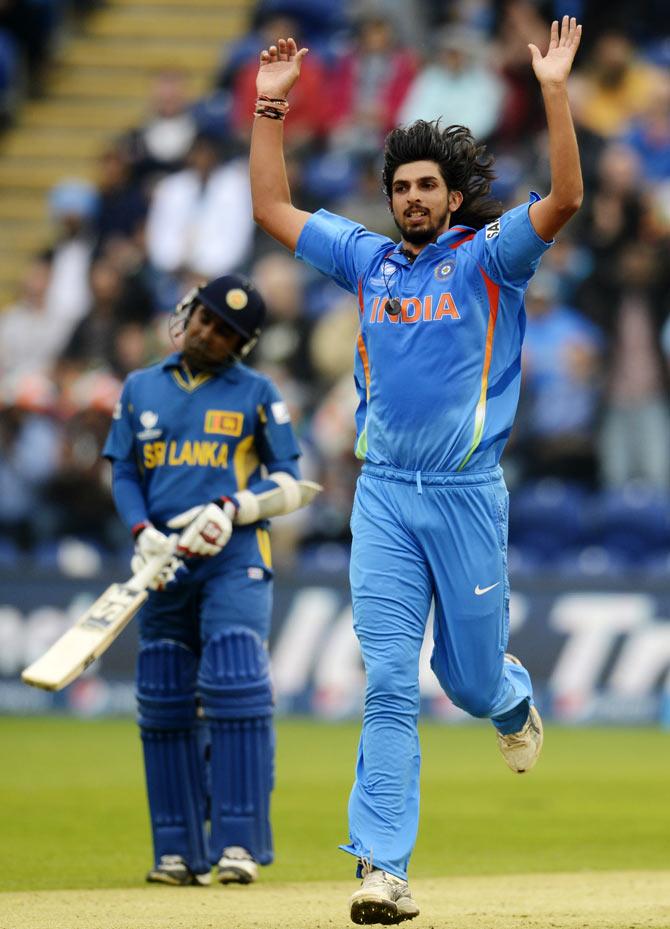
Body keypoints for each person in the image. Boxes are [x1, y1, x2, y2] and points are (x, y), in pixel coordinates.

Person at [249, 16, 583, 925]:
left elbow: (565, 199)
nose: (411, 198)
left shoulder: (491, 259)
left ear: (454, 193)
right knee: (390, 680)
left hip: (469, 497)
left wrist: (553, 92)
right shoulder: (368, 261)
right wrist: (271, 109)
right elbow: (274, 212)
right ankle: (382, 870)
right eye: (399, 186)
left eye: (427, 185)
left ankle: (509, 696)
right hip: (386, 496)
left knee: (469, 682)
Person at [102, 273, 304, 887]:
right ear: (187, 313)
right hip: (162, 562)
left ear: (242, 344)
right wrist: (142, 532)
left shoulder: (257, 392)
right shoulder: (139, 389)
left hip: (233, 556)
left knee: (236, 681)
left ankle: (238, 846)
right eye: (206, 319)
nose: (209, 333)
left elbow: (292, 482)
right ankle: (176, 851)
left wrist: (232, 508)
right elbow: (125, 475)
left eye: (226, 331)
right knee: (163, 694)